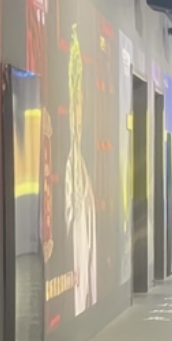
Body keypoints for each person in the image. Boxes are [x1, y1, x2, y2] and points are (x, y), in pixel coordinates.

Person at [62, 22, 99, 314]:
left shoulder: (83, 165)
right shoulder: (69, 165)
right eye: (76, 103)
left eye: (82, 103)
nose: (79, 112)